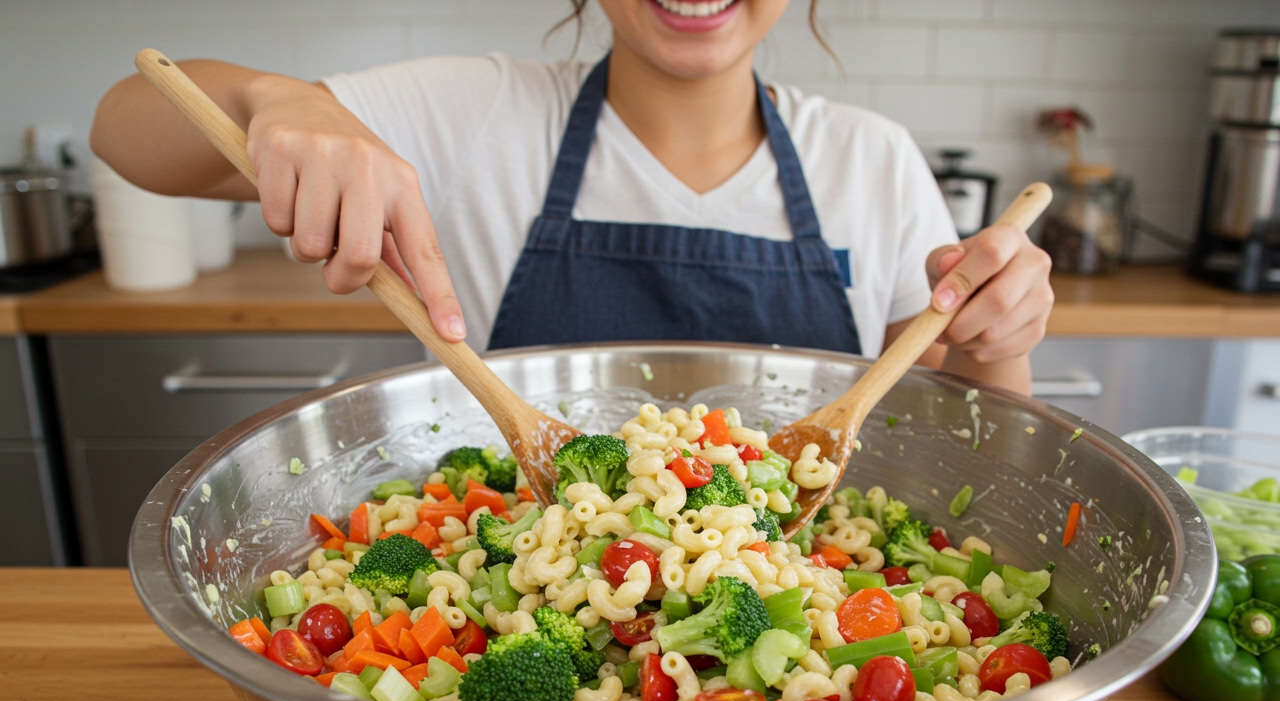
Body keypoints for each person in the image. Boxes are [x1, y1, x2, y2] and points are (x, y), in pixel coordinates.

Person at [91, 0, 1052, 393]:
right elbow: (126, 128)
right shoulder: (474, 112)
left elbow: (953, 451)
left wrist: (999, 339)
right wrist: (277, 101)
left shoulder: (871, 160)